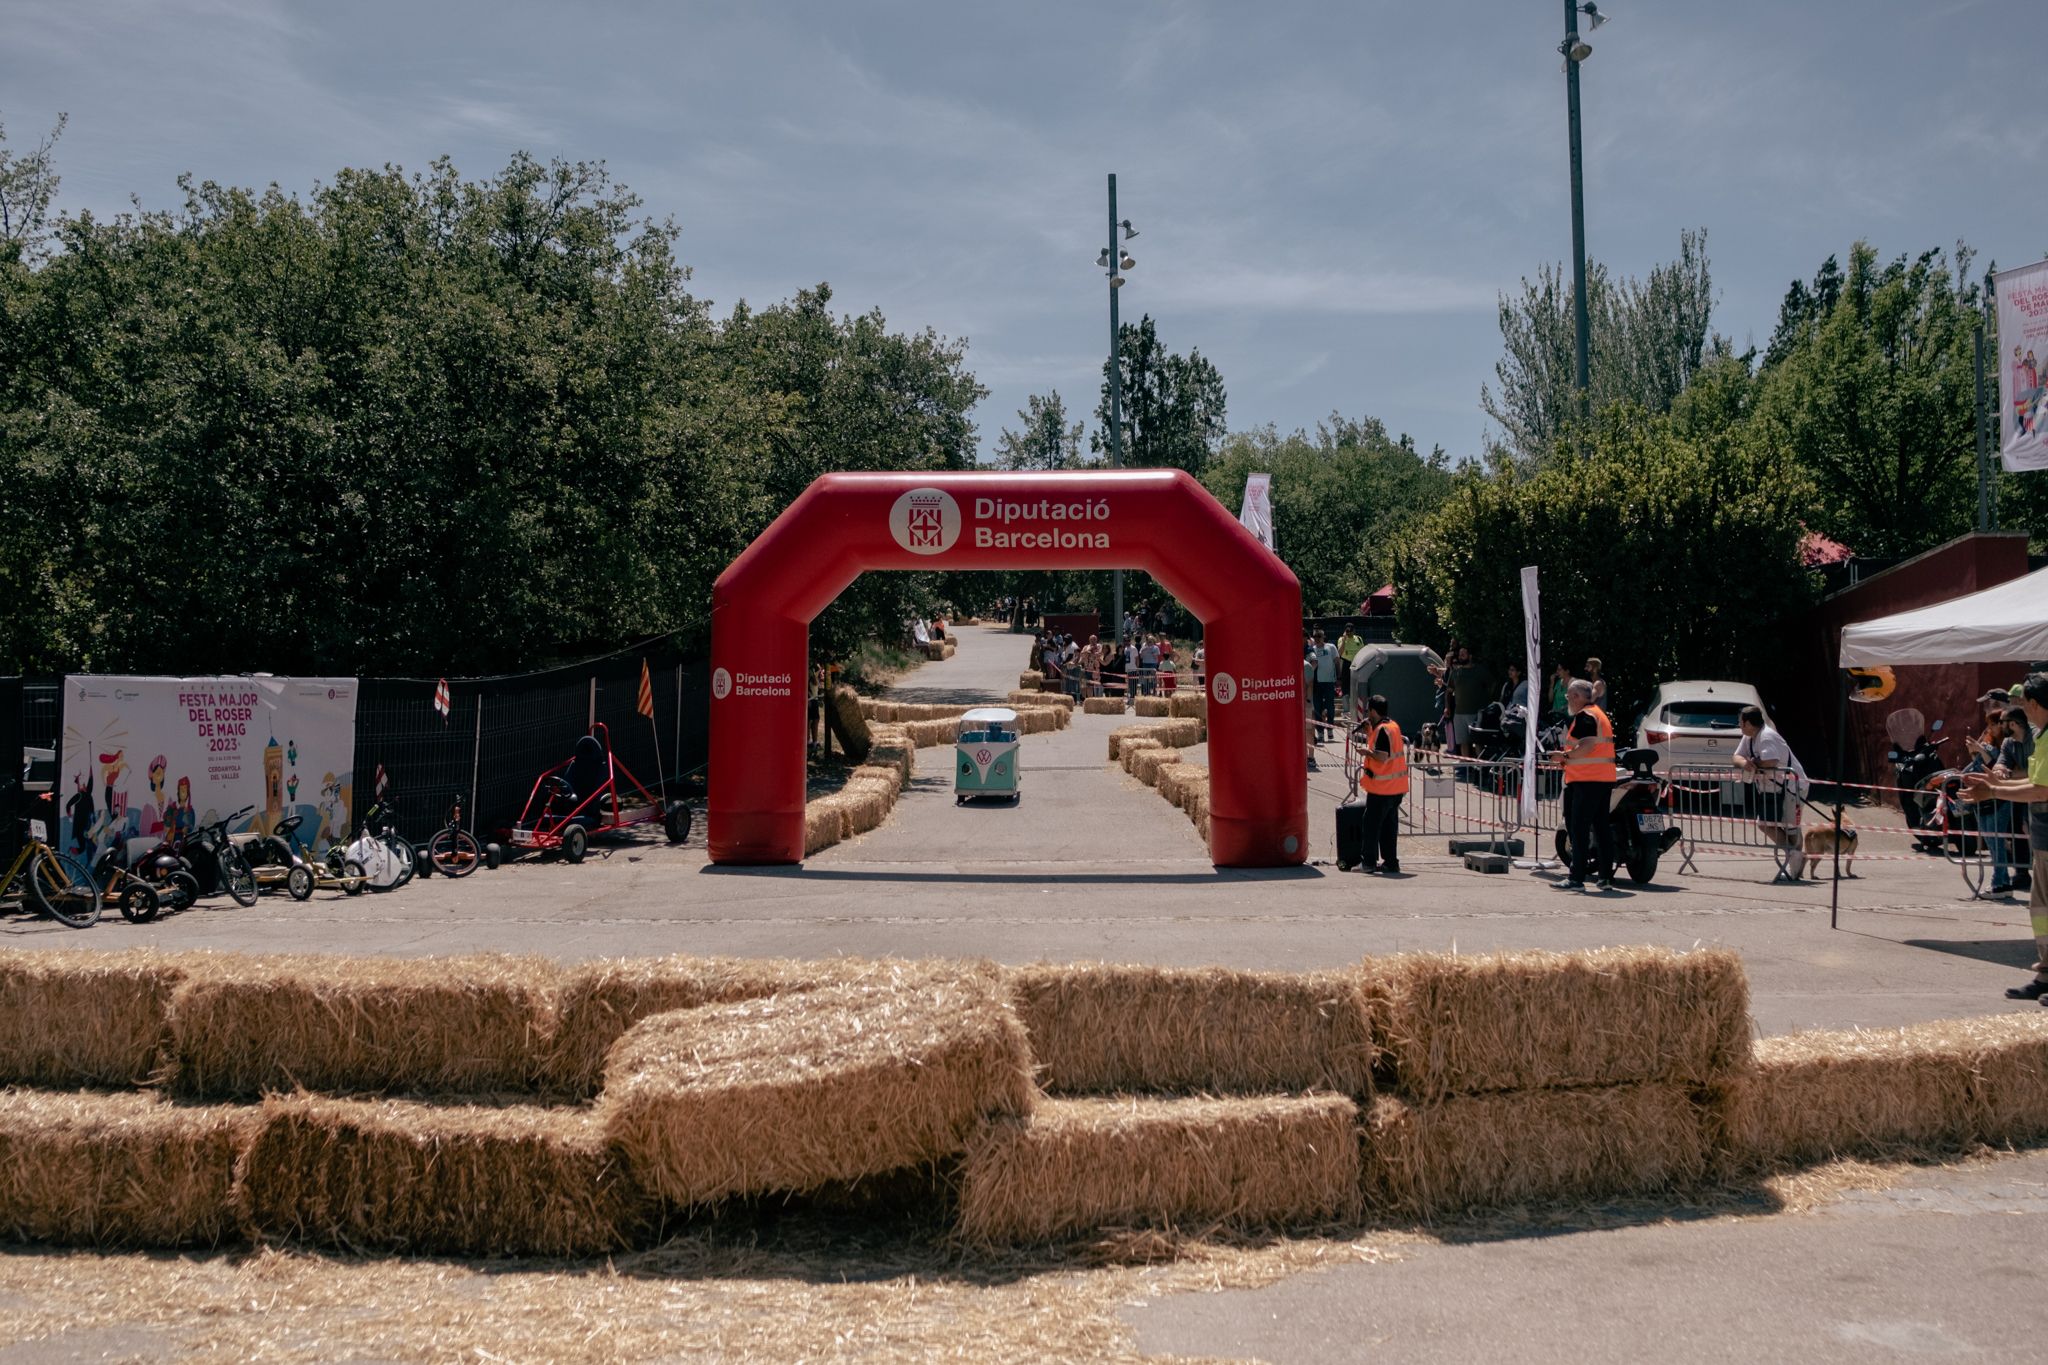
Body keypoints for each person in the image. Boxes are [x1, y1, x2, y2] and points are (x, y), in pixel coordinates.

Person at [1961, 674, 2048, 1002]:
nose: (2023, 710)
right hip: (2043, 836)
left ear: (2035, 704)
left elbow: (2041, 789)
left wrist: (1993, 789)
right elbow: (2030, 780)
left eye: (2025, 704)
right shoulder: (2042, 736)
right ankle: (2046, 974)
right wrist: (1991, 786)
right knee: (2041, 910)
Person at [1551, 679, 1617, 892]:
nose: (1567, 699)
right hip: (1602, 779)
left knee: (1578, 830)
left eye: (1569, 696)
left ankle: (1576, 878)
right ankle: (1605, 877)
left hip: (1586, 780)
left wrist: (1564, 756)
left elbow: (1587, 744)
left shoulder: (1585, 716)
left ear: (1577, 697)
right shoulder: (1598, 712)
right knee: (1601, 828)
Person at [1732, 704, 1810, 883]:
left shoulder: (1766, 737)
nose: (1739, 726)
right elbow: (1736, 757)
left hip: (1793, 787)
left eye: (1740, 722)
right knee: (1765, 823)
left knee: (1791, 828)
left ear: (1748, 723)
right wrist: (1745, 764)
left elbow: (1771, 761)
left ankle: (1795, 866)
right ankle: (1795, 856)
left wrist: (1754, 763)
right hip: (1771, 788)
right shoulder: (1749, 737)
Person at [1356, 693, 1407, 874]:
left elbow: (1382, 756)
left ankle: (1368, 863)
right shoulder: (1392, 726)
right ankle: (1390, 862)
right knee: (1388, 827)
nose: (1368, 714)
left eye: (1369, 711)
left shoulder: (1382, 731)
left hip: (1382, 789)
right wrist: (1370, 733)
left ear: (1373, 711)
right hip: (1396, 788)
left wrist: (1366, 752)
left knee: (1371, 825)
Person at [1310, 630, 1339, 745]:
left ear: (1323, 637)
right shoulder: (1312, 649)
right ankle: (1320, 732)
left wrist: (1339, 677)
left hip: (1329, 682)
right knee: (1317, 707)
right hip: (1316, 683)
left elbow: (1337, 662)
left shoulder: (1331, 647)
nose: (1317, 638)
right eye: (1315, 636)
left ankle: (1330, 728)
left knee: (1330, 707)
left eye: (1319, 636)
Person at [1336, 624, 1365, 696]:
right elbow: (1339, 653)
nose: (1349, 633)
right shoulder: (1341, 639)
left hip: (1357, 664)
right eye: (1347, 631)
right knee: (1346, 687)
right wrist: (1344, 641)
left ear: (1354, 630)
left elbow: (1363, 651)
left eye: (1351, 631)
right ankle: (1346, 703)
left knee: (1356, 685)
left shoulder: (1359, 639)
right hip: (1346, 664)